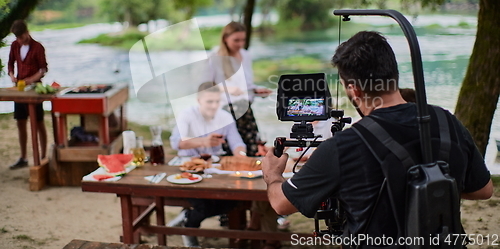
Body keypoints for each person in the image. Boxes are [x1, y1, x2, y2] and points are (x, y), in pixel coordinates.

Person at [262, 31, 493, 247]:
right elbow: (483, 189)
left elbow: (281, 203)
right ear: (393, 74)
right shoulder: (446, 121)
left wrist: (272, 174)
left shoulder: (343, 145)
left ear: (354, 90)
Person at [169, 82, 247, 247]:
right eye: (209, 101)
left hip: (215, 168)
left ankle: (187, 218)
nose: (214, 106)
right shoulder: (186, 115)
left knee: (235, 200)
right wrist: (204, 141)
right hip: (188, 167)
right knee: (204, 204)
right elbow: (176, 143)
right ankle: (190, 226)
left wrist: (241, 157)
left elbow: (236, 142)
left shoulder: (225, 117)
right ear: (199, 100)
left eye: (217, 101)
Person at [205, 21, 271, 157]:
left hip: (246, 111)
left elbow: (248, 84)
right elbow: (205, 87)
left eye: (243, 40)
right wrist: (228, 89)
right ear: (225, 38)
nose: (240, 44)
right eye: (236, 40)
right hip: (225, 111)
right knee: (229, 151)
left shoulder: (246, 55)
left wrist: (257, 90)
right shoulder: (214, 58)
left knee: (253, 150)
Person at [7, 20, 48, 170]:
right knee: (20, 122)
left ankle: (43, 155)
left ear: (27, 32)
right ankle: (23, 157)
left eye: (21, 37)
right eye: (17, 38)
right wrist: (11, 75)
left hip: (35, 89)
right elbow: (10, 63)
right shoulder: (14, 45)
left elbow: (43, 69)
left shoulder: (38, 47)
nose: (19, 40)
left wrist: (32, 79)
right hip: (20, 89)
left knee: (38, 122)